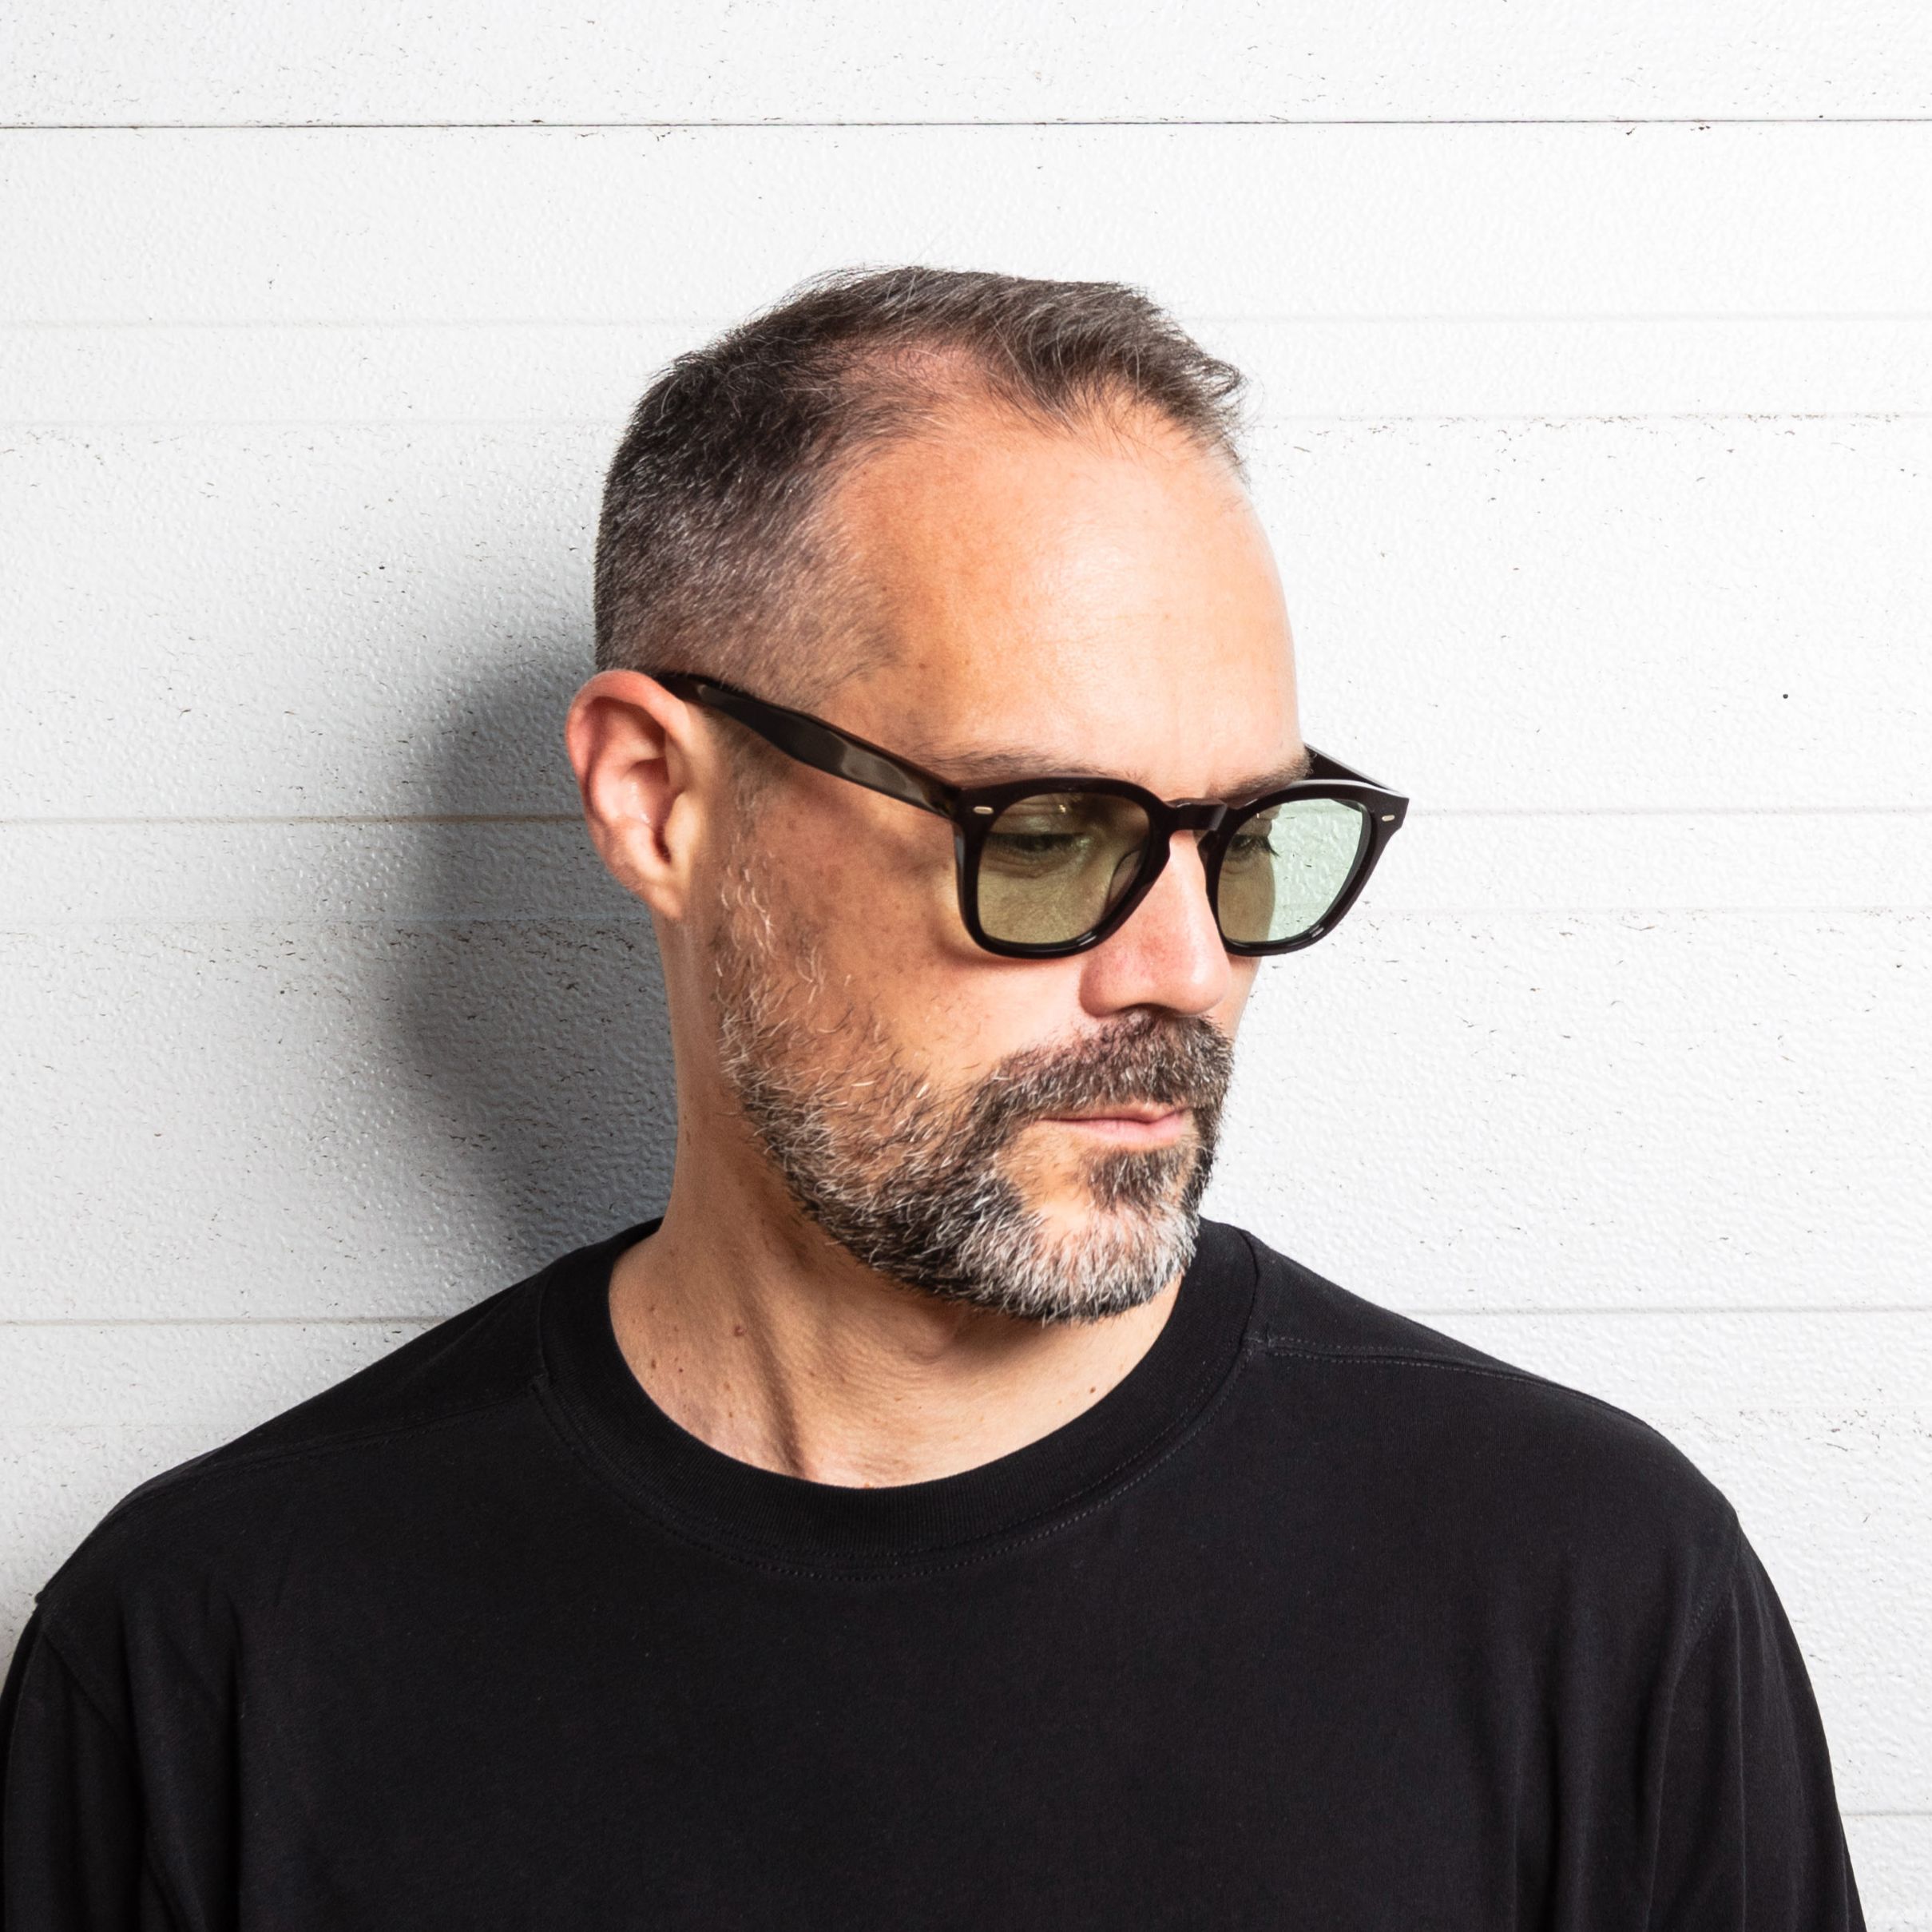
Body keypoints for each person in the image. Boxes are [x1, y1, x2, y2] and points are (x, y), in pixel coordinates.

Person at [0, 268, 1863, 1930]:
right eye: (1046, 833)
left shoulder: (1586, 1595)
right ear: (657, 798)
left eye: (1247, 839)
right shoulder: (207, 1662)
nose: (1183, 968)